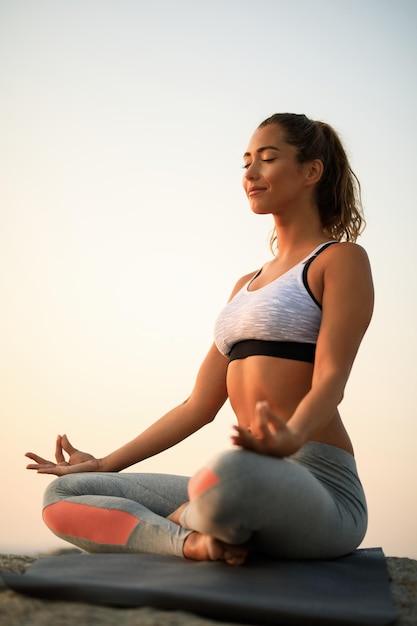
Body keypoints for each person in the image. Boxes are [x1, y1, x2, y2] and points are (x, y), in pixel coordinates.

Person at [26, 113, 374, 566]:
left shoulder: (340, 260)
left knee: (230, 472)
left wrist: (290, 437)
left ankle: (190, 516)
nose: (250, 173)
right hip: (244, 477)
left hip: (319, 484)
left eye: (267, 159)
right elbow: (198, 405)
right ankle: (192, 541)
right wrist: (103, 464)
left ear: (311, 172)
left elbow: (331, 377)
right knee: (64, 493)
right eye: (246, 162)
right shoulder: (245, 285)